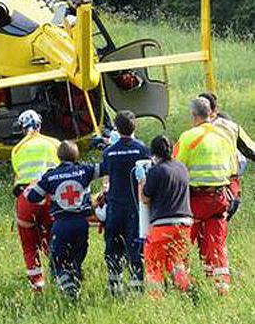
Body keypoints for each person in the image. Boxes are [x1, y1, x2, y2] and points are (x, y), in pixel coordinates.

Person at [173, 98, 234, 295]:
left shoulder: (189, 137)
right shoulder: (225, 136)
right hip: (220, 199)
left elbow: (177, 168)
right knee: (215, 245)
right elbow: (233, 169)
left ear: (194, 115)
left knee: (181, 244)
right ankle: (222, 289)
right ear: (211, 113)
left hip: (195, 200)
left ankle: (183, 287)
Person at [24, 140, 100, 298]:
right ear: (76, 155)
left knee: (57, 259)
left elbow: (32, 197)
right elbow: (105, 168)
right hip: (81, 223)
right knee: (77, 257)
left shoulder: (50, 176)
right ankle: (75, 282)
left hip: (61, 223)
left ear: (58, 156)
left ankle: (68, 287)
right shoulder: (85, 170)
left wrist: (34, 185)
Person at [100, 110, 151, 294]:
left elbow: (106, 179)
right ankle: (137, 288)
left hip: (115, 207)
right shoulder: (142, 149)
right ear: (134, 126)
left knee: (113, 247)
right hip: (135, 208)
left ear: (116, 127)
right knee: (135, 248)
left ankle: (114, 286)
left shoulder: (108, 153)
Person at [138, 135, 192, 299]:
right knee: (177, 262)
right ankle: (186, 293)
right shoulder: (182, 168)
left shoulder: (156, 171)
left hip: (163, 225)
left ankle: (157, 299)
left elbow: (145, 199)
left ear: (153, 153)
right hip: (185, 224)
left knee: (153, 262)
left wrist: (141, 181)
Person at [11, 110, 60, 292]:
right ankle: (59, 273)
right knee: (53, 239)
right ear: (40, 124)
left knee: (29, 245)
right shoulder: (54, 143)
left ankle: (37, 285)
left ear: (22, 128)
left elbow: (17, 175)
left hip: (25, 199)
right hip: (49, 198)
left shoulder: (17, 149)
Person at [199, 92, 255, 218]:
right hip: (227, 182)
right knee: (221, 220)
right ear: (215, 110)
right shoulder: (231, 127)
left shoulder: (192, 133)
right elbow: (250, 150)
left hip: (201, 189)